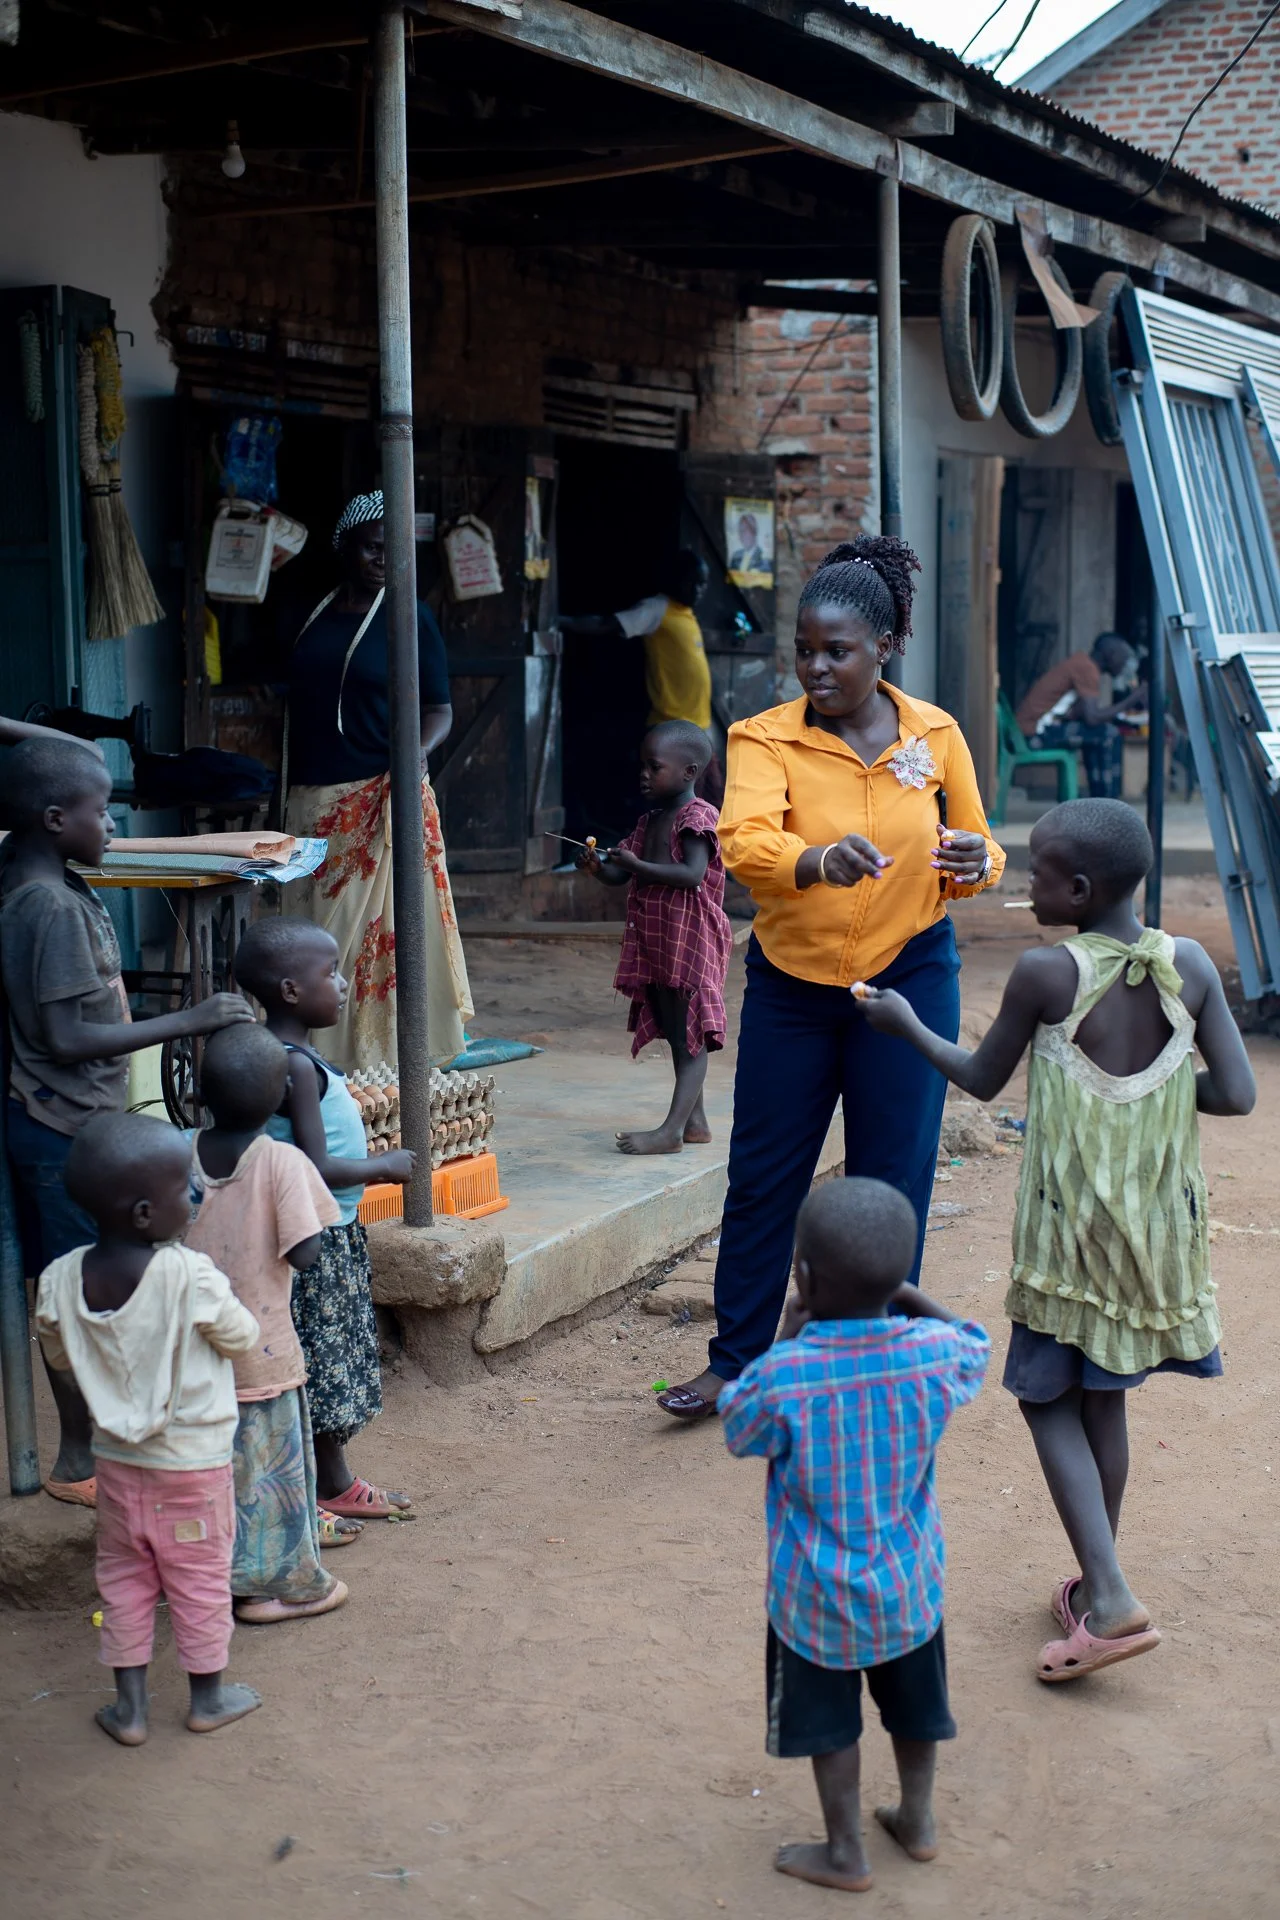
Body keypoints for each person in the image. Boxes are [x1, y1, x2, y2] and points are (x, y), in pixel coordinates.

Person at [857, 798, 1256, 1683]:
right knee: (1102, 1398)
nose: (1026, 880)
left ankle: (1110, 1599)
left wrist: (903, 1023)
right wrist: (1147, 1095)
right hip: (1152, 1231)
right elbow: (1234, 1095)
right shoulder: (1185, 965)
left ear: (1077, 888)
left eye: (1036, 871)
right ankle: (1093, 1576)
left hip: (1070, 1233)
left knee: (1044, 1396)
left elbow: (980, 1078)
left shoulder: (1047, 973)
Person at [657, 536, 1004, 1421]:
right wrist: (815, 861)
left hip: (909, 979)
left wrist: (975, 859)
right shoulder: (764, 739)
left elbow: (977, 848)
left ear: (883, 646)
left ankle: (877, 1364)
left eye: (836, 650)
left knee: (894, 1179)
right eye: (805, 650)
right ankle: (736, 1362)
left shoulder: (937, 735)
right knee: (766, 1172)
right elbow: (742, 846)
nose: (816, 667)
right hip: (794, 988)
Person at [0, 737, 254, 1507]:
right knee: (77, 1289)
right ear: (52, 819)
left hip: (69, 1117)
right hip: (59, 1123)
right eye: (100, 812)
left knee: (81, 1279)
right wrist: (189, 1018)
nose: (112, 825)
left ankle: (101, 1439)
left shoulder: (39, 875)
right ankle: (82, 1455)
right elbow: (65, 1039)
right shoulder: (44, 905)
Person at [721, 1179, 989, 1892]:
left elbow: (738, 1429)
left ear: (803, 1277)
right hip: (908, 1591)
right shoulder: (931, 1355)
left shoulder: (787, 1376)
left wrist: (783, 1338)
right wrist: (904, 1295)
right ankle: (919, 1820)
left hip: (815, 1604)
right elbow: (975, 1342)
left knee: (831, 1726)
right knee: (915, 1711)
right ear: (895, 1278)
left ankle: (844, 1852)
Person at [34, 1114, 263, 1746]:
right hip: (192, 1470)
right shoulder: (189, 1276)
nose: (195, 1197)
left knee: (126, 1582)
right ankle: (208, 1700)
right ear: (142, 1212)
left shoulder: (58, 1280)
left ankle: (130, 1712)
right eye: (184, 1189)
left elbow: (58, 1354)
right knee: (198, 1579)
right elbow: (243, 1337)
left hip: (116, 1468)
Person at [283, 491, 473, 1072]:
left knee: (357, 942)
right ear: (344, 547)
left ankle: (371, 1067)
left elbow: (439, 708)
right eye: (370, 547)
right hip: (310, 801)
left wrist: (414, 753)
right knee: (305, 932)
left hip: (373, 800)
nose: (382, 558)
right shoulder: (313, 612)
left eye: (393, 548)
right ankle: (305, 1063)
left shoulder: (409, 615)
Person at [235, 916, 417, 1521]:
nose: (341, 985)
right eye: (330, 973)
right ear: (290, 991)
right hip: (315, 1235)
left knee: (324, 1359)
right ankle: (324, 1486)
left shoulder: (296, 1057)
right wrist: (381, 1166)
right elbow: (314, 1166)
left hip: (329, 1230)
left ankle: (325, 1481)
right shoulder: (294, 1067)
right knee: (322, 1362)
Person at [185, 1022, 351, 1626]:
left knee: (206, 1474)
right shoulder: (283, 1163)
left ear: (201, 1093)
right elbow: (307, 1252)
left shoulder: (177, 1152)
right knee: (268, 1481)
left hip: (190, 1362)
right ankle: (268, 1590)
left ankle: (203, 1577)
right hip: (263, 1357)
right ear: (284, 1093)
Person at [576, 721, 732, 1155]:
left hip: (693, 941)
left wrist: (637, 866)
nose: (643, 774)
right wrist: (594, 866)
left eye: (654, 766)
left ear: (688, 772)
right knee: (676, 1031)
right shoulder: (648, 823)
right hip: (661, 943)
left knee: (692, 1034)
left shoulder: (698, 816)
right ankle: (695, 1123)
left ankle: (671, 1131)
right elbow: (618, 875)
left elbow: (691, 875)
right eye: (642, 765)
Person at [560, 550, 723, 804]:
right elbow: (608, 623)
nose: (698, 590)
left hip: (698, 726)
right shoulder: (657, 608)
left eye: (703, 584)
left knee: (710, 799)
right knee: (680, 802)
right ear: (675, 580)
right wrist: (560, 622)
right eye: (692, 582)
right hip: (672, 724)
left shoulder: (686, 613)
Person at [1015, 632, 1146, 800]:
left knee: (1096, 735)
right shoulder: (1087, 668)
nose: (1124, 664)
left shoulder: (1082, 664)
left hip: (1032, 731)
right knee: (1109, 734)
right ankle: (1108, 800)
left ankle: (1098, 799)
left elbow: (1083, 715)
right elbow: (1092, 718)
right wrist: (1131, 700)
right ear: (1111, 655)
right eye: (1123, 658)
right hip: (1034, 734)